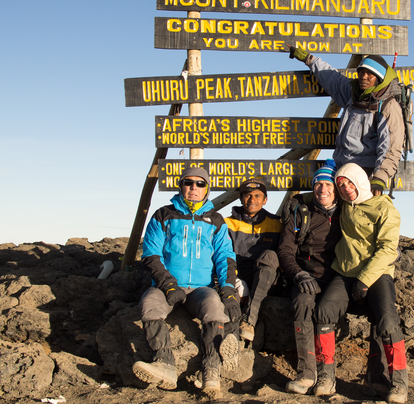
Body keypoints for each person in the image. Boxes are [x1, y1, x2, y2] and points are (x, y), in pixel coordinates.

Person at [132, 167, 241, 396]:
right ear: (181, 186)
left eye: (200, 184)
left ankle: (211, 371)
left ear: (207, 188)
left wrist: (228, 288)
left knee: (215, 309)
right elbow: (151, 254)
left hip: (201, 288)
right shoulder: (164, 215)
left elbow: (225, 257)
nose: (194, 188)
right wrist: (168, 284)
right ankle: (165, 364)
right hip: (167, 287)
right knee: (150, 305)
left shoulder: (216, 220)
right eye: (189, 183)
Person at [313, 163, 408, 403]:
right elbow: (321, 194)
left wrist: (365, 281)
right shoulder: (345, 205)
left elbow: (388, 249)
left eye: (349, 183)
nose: (345, 189)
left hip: (377, 274)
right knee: (324, 311)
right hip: (345, 271)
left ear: (360, 181)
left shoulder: (385, 209)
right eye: (341, 185)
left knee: (387, 321)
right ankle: (326, 377)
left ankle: (398, 384)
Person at [288, 46, 405, 196]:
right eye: (361, 72)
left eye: (370, 74)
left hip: (364, 176)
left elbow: (391, 148)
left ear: (379, 78)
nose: (364, 76)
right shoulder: (354, 93)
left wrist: (380, 178)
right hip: (341, 170)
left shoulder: (388, 106)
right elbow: (331, 77)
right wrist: (308, 58)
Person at [277, 159, 342, 394]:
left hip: (337, 279)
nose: (322, 190)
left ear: (336, 188)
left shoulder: (347, 213)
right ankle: (306, 373)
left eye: (328, 185)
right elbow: (285, 251)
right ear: (312, 188)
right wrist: (298, 274)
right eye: (318, 184)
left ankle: (327, 376)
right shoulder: (300, 213)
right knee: (302, 303)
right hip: (305, 276)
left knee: (325, 310)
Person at [224, 177, 282, 342]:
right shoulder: (226, 224)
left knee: (270, 256)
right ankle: (233, 342)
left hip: (266, 279)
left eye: (257, 196)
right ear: (241, 198)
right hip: (238, 279)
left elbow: (283, 256)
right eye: (248, 195)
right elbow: (224, 255)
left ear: (265, 200)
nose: (252, 200)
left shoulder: (276, 224)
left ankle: (249, 321)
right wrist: (235, 280)